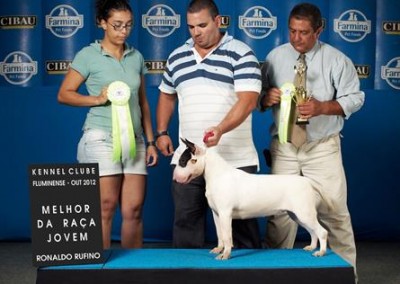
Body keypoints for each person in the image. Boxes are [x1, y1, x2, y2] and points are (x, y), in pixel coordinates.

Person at [259, 2, 364, 281]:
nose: (296, 38)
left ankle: (346, 276)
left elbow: (355, 98)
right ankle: (272, 275)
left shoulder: (337, 60)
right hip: (284, 147)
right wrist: (264, 97)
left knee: (335, 213)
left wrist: (322, 107)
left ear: (319, 30)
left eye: (304, 32)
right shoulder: (274, 57)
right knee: (279, 214)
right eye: (292, 31)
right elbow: (257, 94)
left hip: (322, 147)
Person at [156, 0, 262, 249]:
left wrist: (221, 129)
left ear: (218, 21)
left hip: (234, 158)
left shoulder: (241, 52)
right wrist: (161, 131)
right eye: (191, 27)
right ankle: (185, 274)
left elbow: (248, 101)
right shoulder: (176, 56)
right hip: (189, 158)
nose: (196, 32)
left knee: (242, 230)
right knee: (186, 224)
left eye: (202, 25)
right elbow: (167, 95)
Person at [57, 0, 158, 249]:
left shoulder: (136, 56)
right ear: (102, 23)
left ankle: (132, 270)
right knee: (105, 206)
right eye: (117, 25)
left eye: (128, 25)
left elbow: (143, 103)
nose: (123, 31)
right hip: (101, 138)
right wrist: (97, 99)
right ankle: (99, 270)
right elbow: (65, 94)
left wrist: (151, 141)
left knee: (134, 209)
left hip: (136, 140)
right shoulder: (88, 55)